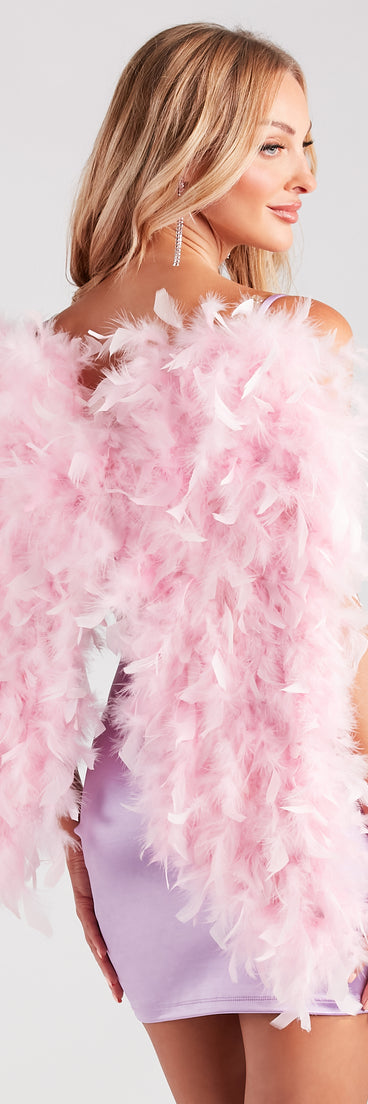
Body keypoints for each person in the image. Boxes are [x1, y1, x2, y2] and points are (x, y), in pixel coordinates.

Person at [3, 22, 368, 1104]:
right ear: (188, 145)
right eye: (271, 146)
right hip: (292, 810)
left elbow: (22, 653)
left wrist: (73, 829)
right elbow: (325, 624)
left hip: (135, 815)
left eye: (306, 145)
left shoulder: (39, 366)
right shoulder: (290, 336)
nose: (304, 176)